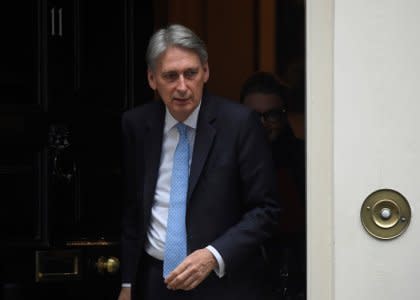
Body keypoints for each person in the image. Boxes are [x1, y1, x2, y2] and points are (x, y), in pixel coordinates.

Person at [118, 24, 282, 300]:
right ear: (151, 79)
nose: (182, 87)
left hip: (222, 282)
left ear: (205, 72)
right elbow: (133, 208)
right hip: (154, 283)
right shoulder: (136, 125)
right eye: (170, 76)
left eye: (190, 73)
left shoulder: (239, 124)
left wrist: (213, 255)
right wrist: (127, 283)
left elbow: (266, 210)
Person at [240, 71, 306, 299]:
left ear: (284, 116)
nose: (263, 124)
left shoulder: (303, 158)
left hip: (296, 268)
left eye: (272, 116)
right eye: (254, 116)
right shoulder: (225, 158)